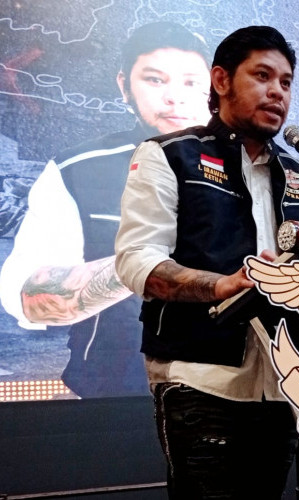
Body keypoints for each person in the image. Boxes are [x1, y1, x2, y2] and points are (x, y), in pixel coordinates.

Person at [114, 25, 299, 498]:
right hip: (200, 376)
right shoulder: (169, 155)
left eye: (286, 82)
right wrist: (221, 285)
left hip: (283, 382)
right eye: (262, 76)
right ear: (221, 80)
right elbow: (136, 260)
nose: (277, 92)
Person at [0, 22, 211, 397]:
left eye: (191, 82)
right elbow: (27, 295)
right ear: (124, 85)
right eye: (155, 80)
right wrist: (147, 263)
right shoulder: (77, 170)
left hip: (241, 405)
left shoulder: (263, 170)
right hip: (112, 399)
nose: (174, 97)